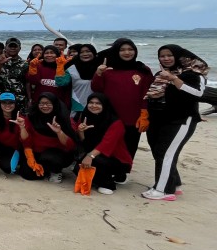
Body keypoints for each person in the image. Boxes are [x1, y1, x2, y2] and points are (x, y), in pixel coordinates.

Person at [142, 45, 209, 200]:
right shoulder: (161, 74)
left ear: (179, 56)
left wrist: (173, 79)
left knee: (166, 153)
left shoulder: (193, 73)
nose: (165, 58)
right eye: (162, 56)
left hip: (181, 120)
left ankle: (163, 190)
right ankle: (174, 184)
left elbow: (197, 93)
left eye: (169, 55)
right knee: (159, 152)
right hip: (159, 119)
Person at [91, 38, 154, 159]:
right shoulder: (107, 70)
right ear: (116, 51)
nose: (127, 52)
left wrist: (144, 113)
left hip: (133, 117)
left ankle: (123, 170)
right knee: (108, 145)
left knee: (130, 147)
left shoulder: (143, 69)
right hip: (110, 116)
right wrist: (98, 73)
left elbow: (147, 93)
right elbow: (96, 89)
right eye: (122, 50)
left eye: (130, 49)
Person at [74, 93, 132, 195]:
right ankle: (101, 177)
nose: (93, 105)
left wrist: (90, 156)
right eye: (91, 103)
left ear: (104, 105)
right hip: (95, 154)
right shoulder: (85, 117)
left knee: (95, 162)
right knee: (78, 167)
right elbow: (86, 144)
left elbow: (107, 144)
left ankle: (108, 184)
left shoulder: (115, 122)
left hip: (117, 159)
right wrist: (81, 132)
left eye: (98, 103)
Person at [18, 92, 77, 182]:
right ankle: (46, 170)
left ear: (54, 104)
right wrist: (22, 128)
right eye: (41, 103)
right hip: (37, 152)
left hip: (57, 154)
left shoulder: (65, 119)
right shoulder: (32, 116)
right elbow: (26, 142)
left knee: (49, 158)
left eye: (48, 103)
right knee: (28, 174)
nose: (45, 106)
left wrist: (59, 132)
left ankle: (55, 171)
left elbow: (70, 146)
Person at [55, 44, 98, 115]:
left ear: (94, 53)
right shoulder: (72, 68)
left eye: (88, 51)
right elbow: (61, 83)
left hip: (97, 105)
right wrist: (60, 67)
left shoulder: (101, 67)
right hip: (78, 105)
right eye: (81, 52)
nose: (85, 54)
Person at [0, 37, 29, 112]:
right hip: (1, 99)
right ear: (5, 47)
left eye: (15, 46)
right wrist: (0, 64)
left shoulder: (24, 64)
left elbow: (27, 82)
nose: (13, 48)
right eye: (10, 46)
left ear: (19, 48)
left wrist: (29, 99)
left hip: (19, 100)